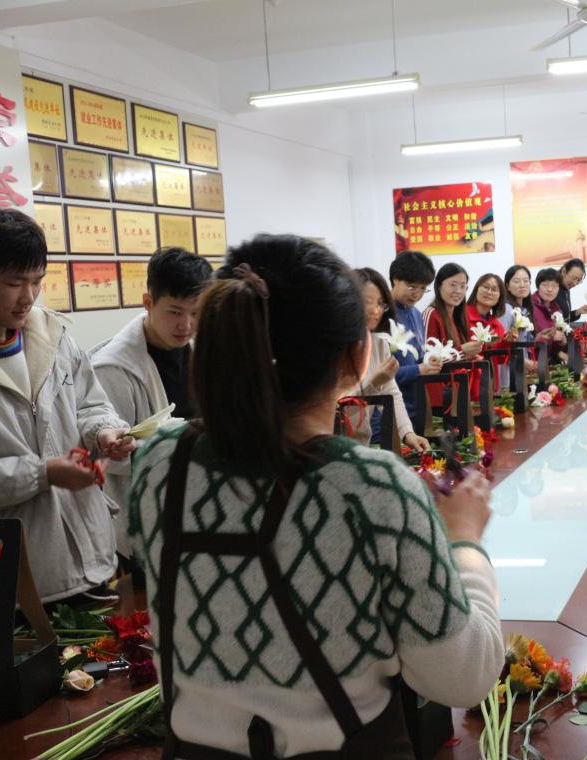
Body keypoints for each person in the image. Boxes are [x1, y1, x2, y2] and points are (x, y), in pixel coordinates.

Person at [127, 234, 503, 757]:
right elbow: (463, 677)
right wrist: (465, 541)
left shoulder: (158, 463)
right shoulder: (371, 487)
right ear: (356, 357)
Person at [0, 209, 134, 604]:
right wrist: (42, 473)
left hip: (88, 554)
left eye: (37, 281)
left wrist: (104, 431)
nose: (28, 297)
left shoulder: (51, 336)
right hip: (12, 581)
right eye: (13, 283)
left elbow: (91, 403)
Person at [90, 247, 212, 581]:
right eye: (174, 312)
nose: (185, 324)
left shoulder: (201, 350)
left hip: (198, 503)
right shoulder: (113, 367)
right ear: (148, 302)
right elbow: (114, 460)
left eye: (195, 312)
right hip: (145, 516)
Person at [349, 267, 430, 452]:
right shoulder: (334, 348)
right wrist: (373, 384)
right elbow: (340, 410)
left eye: (381, 303)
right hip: (335, 445)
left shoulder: (378, 344)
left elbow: (391, 391)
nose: (375, 310)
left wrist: (407, 433)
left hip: (362, 445)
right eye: (367, 302)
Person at [389, 251, 443, 422]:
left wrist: (428, 362)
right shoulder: (382, 316)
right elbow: (379, 376)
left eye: (423, 289)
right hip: (391, 410)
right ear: (395, 279)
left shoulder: (417, 315)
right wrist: (419, 369)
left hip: (416, 407)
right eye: (412, 287)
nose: (417, 294)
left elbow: (417, 359)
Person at [424, 263, 481, 411]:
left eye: (463, 286)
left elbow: (456, 355)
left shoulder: (458, 316)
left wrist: (469, 357)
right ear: (439, 286)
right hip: (438, 398)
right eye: (453, 285)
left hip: (456, 392)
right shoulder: (431, 314)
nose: (458, 291)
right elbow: (428, 362)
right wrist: (462, 352)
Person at [465, 273, 514, 396]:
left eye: (494, 289)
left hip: (488, 383)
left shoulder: (497, 325)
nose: (489, 292)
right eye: (486, 287)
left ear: (500, 297)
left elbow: (500, 359)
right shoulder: (463, 317)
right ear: (477, 289)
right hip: (467, 382)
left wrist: (506, 341)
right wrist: (485, 344)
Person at [530, 267, 569, 362]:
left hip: (549, 362)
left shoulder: (557, 309)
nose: (550, 289)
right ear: (538, 286)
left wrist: (561, 342)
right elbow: (526, 341)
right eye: (545, 285)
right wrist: (547, 338)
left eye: (555, 286)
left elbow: (554, 345)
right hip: (533, 362)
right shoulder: (529, 307)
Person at [556, 258, 587, 324]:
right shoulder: (552, 288)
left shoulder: (566, 289)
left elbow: (564, 318)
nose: (575, 283)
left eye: (578, 280)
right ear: (564, 271)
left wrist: (578, 311)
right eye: (574, 278)